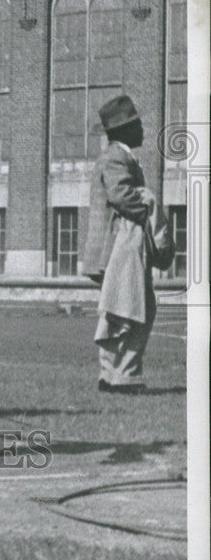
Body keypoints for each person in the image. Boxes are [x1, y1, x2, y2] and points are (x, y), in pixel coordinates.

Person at [83, 94, 171, 394]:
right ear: (124, 131)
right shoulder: (115, 157)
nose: (143, 129)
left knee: (120, 310)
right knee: (132, 309)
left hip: (121, 247)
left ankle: (112, 375)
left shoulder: (119, 156)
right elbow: (122, 196)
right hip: (120, 247)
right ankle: (123, 377)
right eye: (137, 125)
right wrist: (147, 202)